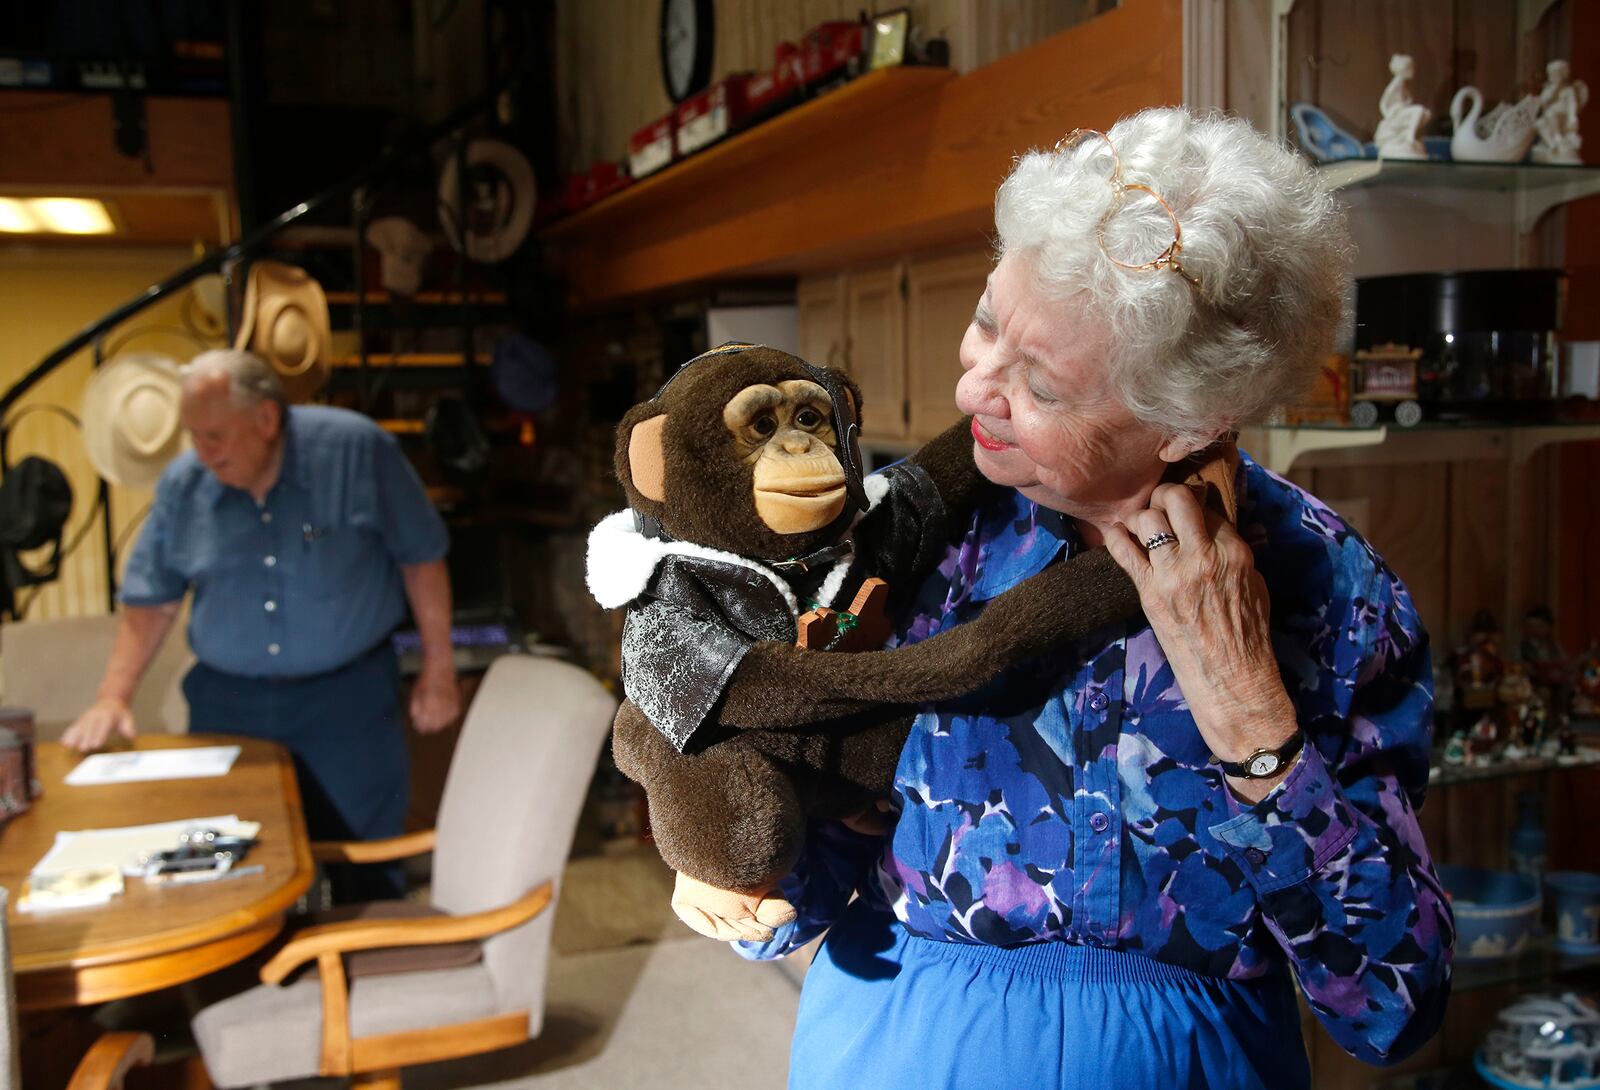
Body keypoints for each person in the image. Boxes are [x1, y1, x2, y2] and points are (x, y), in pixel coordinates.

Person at [735, 108, 1453, 1089]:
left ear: (1184, 417)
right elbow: (796, 877)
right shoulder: (898, 538)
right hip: (895, 1043)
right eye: (987, 320)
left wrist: (1246, 706)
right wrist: (738, 842)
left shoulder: (1329, 587)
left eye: (1040, 384)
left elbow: (1391, 1003)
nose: (971, 389)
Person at [62, 349, 461, 902]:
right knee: (226, 860)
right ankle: (264, 982)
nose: (201, 452)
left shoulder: (356, 451)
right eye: (192, 435)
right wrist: (113, 696)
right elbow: (151, 600)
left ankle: (364, 977)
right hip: (230, 707)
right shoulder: (184, 485)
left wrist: (439, 667)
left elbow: (422, 559)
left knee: (362, 861)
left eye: (214, 435)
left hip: (347, 701)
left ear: (266, 420)